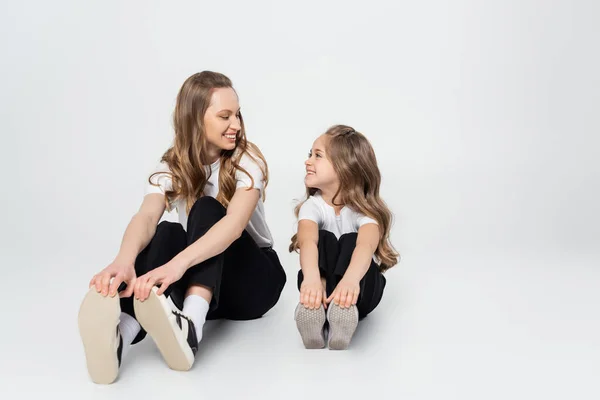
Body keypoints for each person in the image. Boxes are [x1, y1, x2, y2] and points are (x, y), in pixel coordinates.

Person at [77, 71, 286, 384]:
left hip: (255, 283)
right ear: (195, 120)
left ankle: (191, 328)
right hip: (204, 282)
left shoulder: (246, 159)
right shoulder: (171, 166)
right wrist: (123, 261)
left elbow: (232, 226)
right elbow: (146, 217)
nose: (237, 125)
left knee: (207, 208)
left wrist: (176, 266)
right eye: (225, 116)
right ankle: (121, 332)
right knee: (165, 231)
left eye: (237, 114)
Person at [290, 124, 399, 350]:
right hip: (321, 287)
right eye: (310, 154)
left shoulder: (364, 211)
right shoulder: (312, 207)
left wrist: (349, 281)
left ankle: (344, 310)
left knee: (352, 240)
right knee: (324, 238)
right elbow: (308, 241)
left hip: (359, 287)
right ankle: (315, 309)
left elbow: (365, 246)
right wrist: (311, 278)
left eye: (317, 155)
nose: (307, 161)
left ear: (344, 167)